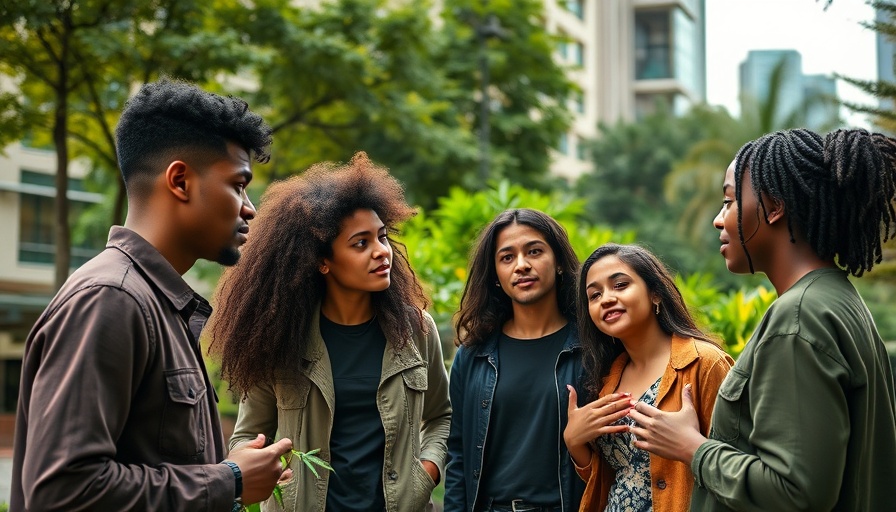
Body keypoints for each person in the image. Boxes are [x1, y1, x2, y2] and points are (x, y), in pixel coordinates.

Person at [10, 79, 293, 511]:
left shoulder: (159, 305)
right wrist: (227, 480)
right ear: (180, 180)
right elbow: (62, 491)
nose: (249, 207)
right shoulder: (111, 299)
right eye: (238, 185)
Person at [629, 128, 896, 511]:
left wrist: (692, 447)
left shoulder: (799, 318)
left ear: (773, 207)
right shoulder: (838, 299)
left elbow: (795, 492)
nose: (718, 221)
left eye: (729, 201)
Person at [208, 151, 451, 512]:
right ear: (322, 261)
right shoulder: (280, 338)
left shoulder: (415, 330)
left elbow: (441, 416)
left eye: (382, 237)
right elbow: (246, 435)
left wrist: (426, 473)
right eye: (361, 243)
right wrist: (276, 476)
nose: (382, 252)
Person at [563, 243, 733, 512]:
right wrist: (574, 442)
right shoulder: (610, 379)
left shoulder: (704, 363)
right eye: (594, 295)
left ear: (655, 293)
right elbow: (618, 474)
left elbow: (735, 467)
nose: (606, 298)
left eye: (619, 285)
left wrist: (690, 445)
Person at [444, 208, 585, 512]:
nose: (522, 265)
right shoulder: (473, 355)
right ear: (495, 276)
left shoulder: (590, 349)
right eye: (507, 257)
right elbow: (458, 454)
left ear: (559, 262)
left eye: (534, 251)